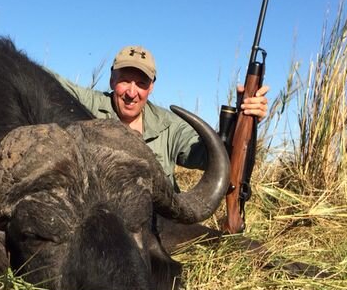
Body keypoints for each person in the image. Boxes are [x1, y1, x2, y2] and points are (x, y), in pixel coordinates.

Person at [51, 45, 269, 189]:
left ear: (151, 87)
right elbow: (46, 81)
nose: (131, 92)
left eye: (142, 84)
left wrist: (244, 121)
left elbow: (208, 156)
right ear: (111, 80)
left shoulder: (169, 126)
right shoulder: (89, 104)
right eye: (125, 80)